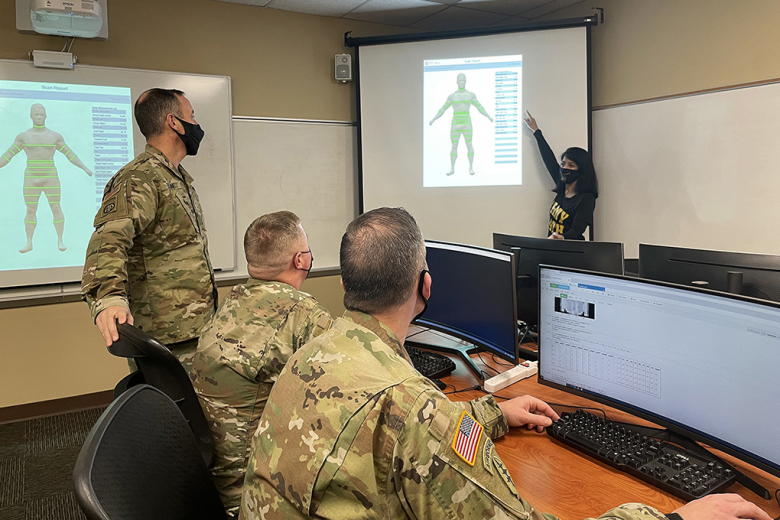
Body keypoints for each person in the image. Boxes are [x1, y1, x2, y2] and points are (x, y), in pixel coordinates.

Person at [241, 207, 769, 520]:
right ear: (425, 287)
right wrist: (676, 519)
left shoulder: (319, 350)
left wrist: (493, 413)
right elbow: (420, 430)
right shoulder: (414, 407)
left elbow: (400, 440)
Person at [191, 211, 331, 516]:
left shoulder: (234, 299)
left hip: (210, 478)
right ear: (300, 260)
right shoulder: (305, 314)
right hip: (248, 494)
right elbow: (338, 398)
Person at [81, 88, 217, 371]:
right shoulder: (140, 178)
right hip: (165, 338)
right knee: (169, 413)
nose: (196, 124)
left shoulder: (175, 178)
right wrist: (108, 298)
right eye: (191, 116)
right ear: (174, 122)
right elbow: (109, 239)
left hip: (195, 330)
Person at [0, 103, 93, 253]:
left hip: (50, 176)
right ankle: (29, 242)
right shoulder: (24, 136)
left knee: (55, 206)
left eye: (41, 114)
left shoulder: (54, 136)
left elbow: (69, 154)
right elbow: (8, 155)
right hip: (31, 176)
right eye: (36, 114)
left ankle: (60, 240)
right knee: (30, 209)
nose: (38, 117)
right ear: (31, 116)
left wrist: (84, 168)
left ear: (45, 116)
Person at [524, 110, 597, 241]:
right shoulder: (561, 186)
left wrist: (561, 238)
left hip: (570, 253)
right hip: (551, 248)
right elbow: (549, 160)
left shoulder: (586, 199)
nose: (565, 168)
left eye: (571, 165)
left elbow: (577, 231)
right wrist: (536, 131)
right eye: (563, 164)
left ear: (582, 170)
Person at [430, 73, 493, 176]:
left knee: (469, 143)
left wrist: (488, 116)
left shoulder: (470, 95)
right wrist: (433, 119)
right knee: (454, 145)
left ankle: (471, 167)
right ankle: (452, 168)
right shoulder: (452, 96)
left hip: (466, 122)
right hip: (455, 123)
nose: (462, 82)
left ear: (466, 81)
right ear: (457, 82)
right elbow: (443, 109)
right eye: (460, 81)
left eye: (463, 80)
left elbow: (479, 107)